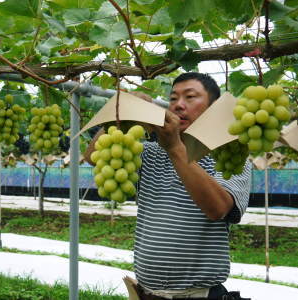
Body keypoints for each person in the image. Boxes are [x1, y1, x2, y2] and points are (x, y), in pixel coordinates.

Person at [85, 72, 252, 300]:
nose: (178, 105)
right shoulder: (153, 152)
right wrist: (123, 115)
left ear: (213, 109)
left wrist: (175, 147)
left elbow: (218, 208)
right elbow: (92, 156)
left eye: (190, 97)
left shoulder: (230, 159)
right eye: (173, 99)